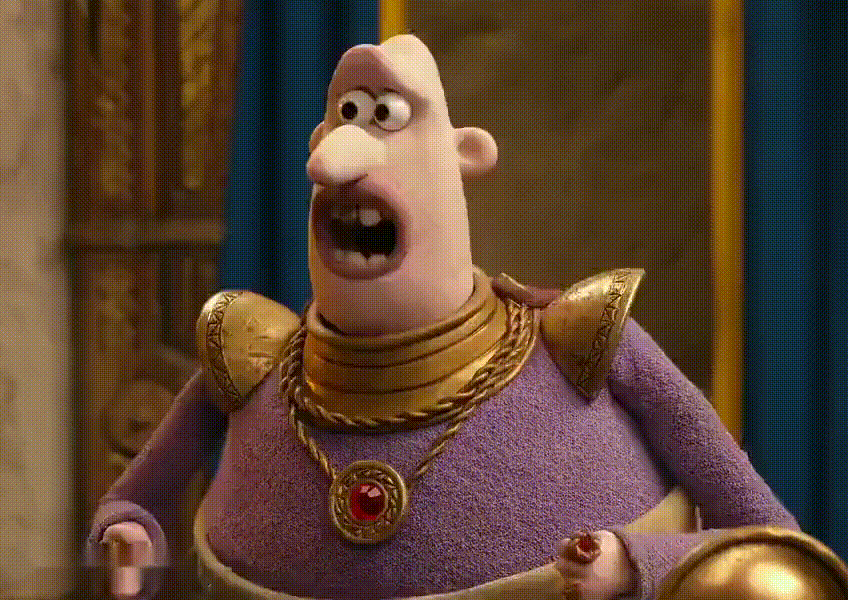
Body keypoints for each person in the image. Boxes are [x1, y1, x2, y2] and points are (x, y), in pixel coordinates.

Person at [88, 34, 802, 600]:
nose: (339, 164)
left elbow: (771, 548)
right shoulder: (252, 362)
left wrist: (632, 563)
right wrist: (131, 540)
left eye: (386, 118)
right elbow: (132, 507)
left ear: (465, 155)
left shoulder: (585, 342)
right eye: (344, 118)